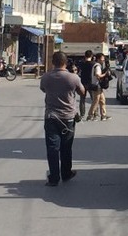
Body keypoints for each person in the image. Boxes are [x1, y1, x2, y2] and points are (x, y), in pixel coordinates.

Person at [40, 50, 85, 186]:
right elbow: (82, 92)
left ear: (53, 62)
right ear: (66, 63)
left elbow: (43, 89)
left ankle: (54, 178)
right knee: (66, 147)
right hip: (68, 118)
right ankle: (66, 173)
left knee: (53, 148)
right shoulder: (73, 78)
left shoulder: (46, 77)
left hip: (51, 117)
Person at [85, 54, 110, 121]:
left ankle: (103, 115)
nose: (103, 60)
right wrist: (105, 74)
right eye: (102, 59)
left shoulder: (96, 65)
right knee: (96, 101)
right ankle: (90, 115)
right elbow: (97, 75)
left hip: (98, 86)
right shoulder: (97, 66)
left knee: (102, 101)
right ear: (98, 59)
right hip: (96, 86)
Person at [77, 50, 95, 118]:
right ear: (92, 56)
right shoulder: (93, 64)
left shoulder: (81, 63)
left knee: (82, 99)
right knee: (93, 99)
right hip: (91, 83)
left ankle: (82, 114)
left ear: (85, 56)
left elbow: (79, 72)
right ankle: (94, 113)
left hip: (83, 83)